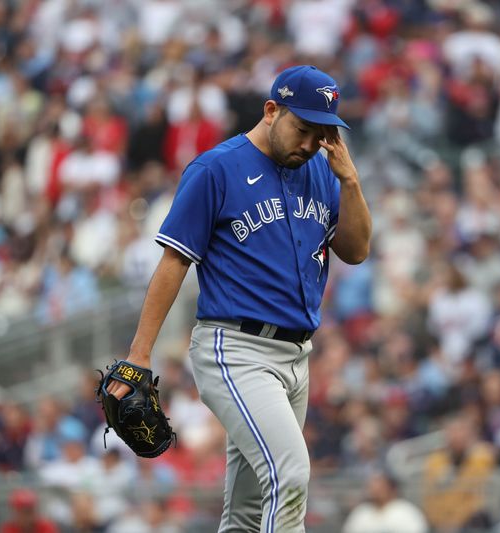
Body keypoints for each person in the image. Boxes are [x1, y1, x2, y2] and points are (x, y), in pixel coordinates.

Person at [106, 64, 371, 533]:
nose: (310, 143)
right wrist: (139, 355)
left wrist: (350, 183)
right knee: (290, 475)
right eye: (303, 128)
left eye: (322, 133)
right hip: (237, 349)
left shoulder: (321, 173)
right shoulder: (217, 169)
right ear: (271, 110)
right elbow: (174, 263)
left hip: (296, 357)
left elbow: (355, 250)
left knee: (249, 513)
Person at [341, 470, 428, 533]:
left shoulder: (406, 511)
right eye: (372, 488)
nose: (375, 491)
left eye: (380, 488)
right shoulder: (361, 512)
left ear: (392, 490)